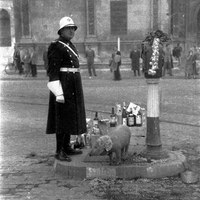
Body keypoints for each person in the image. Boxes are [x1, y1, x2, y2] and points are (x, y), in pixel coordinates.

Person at [46, 16, 87, 162]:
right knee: (62, 117)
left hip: (73, 83)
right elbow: (52, 71)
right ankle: (59, 150)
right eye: (68, 28)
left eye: (73, 28)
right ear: (61, 30)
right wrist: (58, 91)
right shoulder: (56, 46)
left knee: (70, 115)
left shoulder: (70, 44)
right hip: (63, 84)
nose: (71, 31)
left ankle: (67, 146)